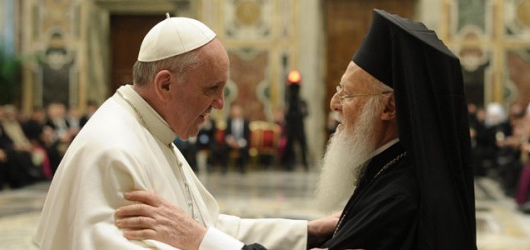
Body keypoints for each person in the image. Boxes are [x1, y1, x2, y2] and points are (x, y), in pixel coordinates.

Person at [115, 9, 477, 249]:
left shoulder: (401, 197)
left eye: (347, 94)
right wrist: (308, 230)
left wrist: (200, 241)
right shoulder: (390, 171)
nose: (334, 104)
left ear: (390, 107)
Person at [34, 15, 336, 250]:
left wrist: (307, 232)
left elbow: (202, 229)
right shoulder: (114, 151)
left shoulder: (150, 129)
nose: (220, 103)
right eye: (211, 89)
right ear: (165, 85)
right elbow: (198, 239)